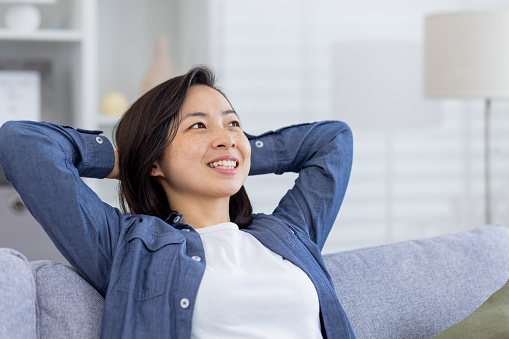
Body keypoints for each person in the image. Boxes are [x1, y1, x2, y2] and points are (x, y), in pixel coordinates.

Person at [0, 66, 355, 338]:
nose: (225, 137)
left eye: (233, 124)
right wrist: (133, 158)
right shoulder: (127, 248)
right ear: (154, 160)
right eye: (197, 126)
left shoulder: (288, 234)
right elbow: (23, 142)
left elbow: (333, 140)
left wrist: (233, 157)